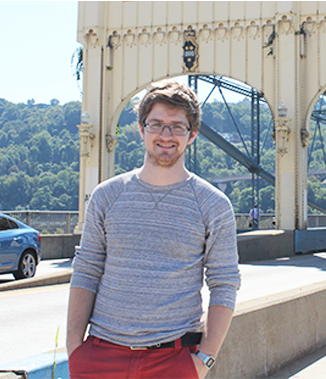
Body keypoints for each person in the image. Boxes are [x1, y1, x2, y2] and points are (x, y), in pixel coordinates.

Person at [67, 79, 241, 379]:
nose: (165, 134)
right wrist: (74, 349)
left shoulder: (213, 205)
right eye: (156, 124)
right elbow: (87, 270)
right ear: (141, 129)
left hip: (174, 361)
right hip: (100, 357)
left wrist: (205, 360)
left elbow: (224, 283)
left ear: (193, 134)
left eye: (177, 126)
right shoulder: (107, 195)